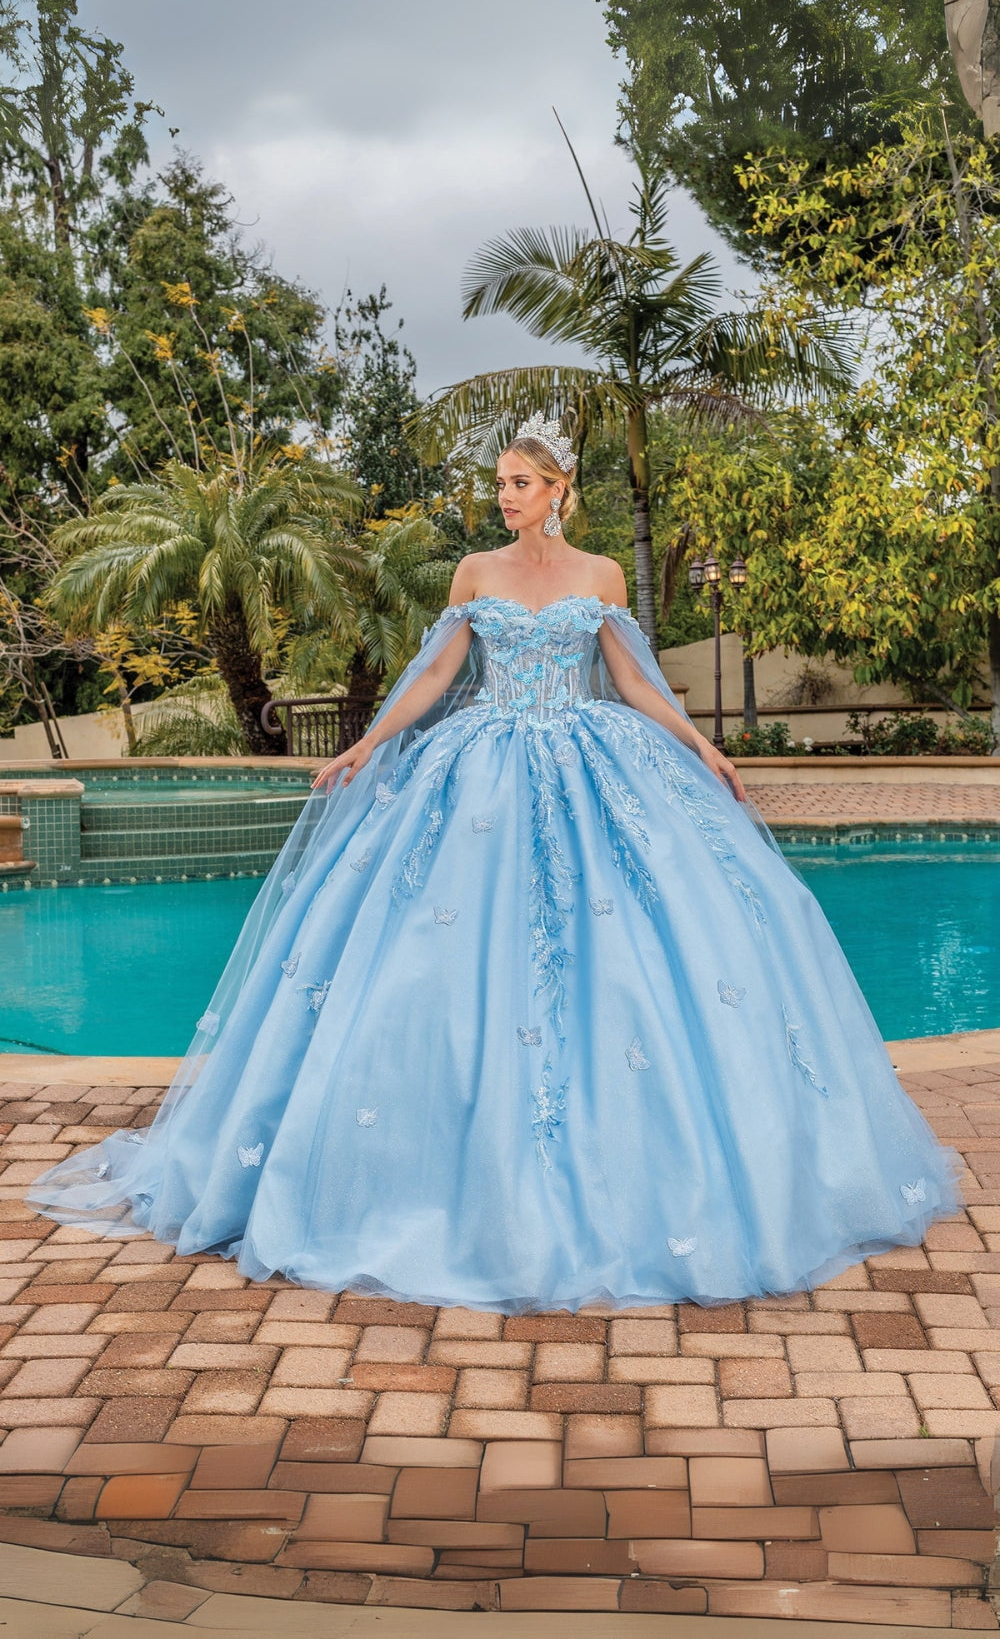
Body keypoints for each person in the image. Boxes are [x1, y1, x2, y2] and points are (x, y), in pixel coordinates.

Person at [29, 413, 962, 1313]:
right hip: (480, 773)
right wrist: (365, 746)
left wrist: (702, 748)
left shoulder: (601, 575)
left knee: (634, 946)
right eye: (502, 485)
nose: (505, 497)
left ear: (558, 490)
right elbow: (435, 675)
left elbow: (634, 680)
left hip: (597, 764)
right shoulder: (475, 571)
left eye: (520, 484)